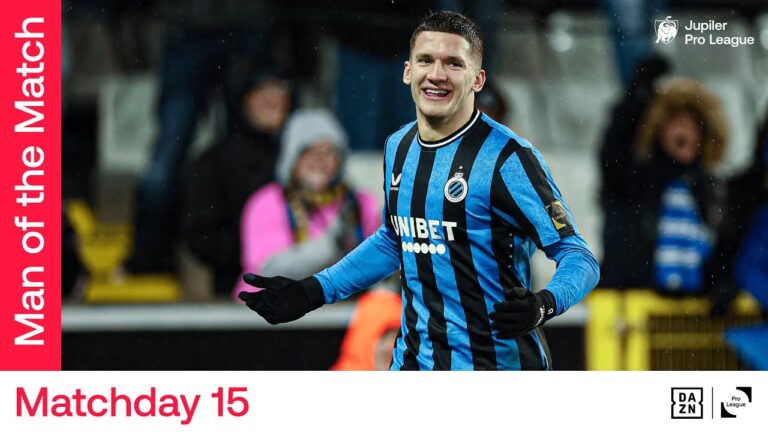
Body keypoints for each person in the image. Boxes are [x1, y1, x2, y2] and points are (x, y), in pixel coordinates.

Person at [239, 11, 599, 370]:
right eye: (426, 60)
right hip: (414, 362)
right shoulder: (398, 147)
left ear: (477, 80)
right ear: (408, 71)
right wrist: (314, 291)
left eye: (454, 63)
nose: (437, 74)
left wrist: (543, 304)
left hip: (496, 369)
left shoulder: (508, 159)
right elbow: (393, 240)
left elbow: (578, 257)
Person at [233, 108, 381, 298]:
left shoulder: (362, 203)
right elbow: (269, 272)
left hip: (340, 306)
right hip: (267, 307)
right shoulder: (268, 202)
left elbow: (380, 264)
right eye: (308, 151)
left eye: (328, 152)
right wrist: (332, 244)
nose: (319, 160)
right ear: (292, 159)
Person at [600, 78, 729, 294]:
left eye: (692, 124)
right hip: (634, 305)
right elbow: (613, 152)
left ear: (703, 135)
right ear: (660, 130)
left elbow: (725, 250)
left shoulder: (714, 191)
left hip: (694, 308)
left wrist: (723, 286)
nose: (683, 130)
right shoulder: (635, 181)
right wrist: (635, 98)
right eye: (676, 122)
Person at [182, 70, 292, 296]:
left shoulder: (304, 158)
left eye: (278, 87)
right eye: (260, 89)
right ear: (242, 100)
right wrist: (261, 250)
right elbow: (200, 238)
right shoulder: (213, 162)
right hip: (237, 295)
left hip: (305, 292)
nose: (271, 98)